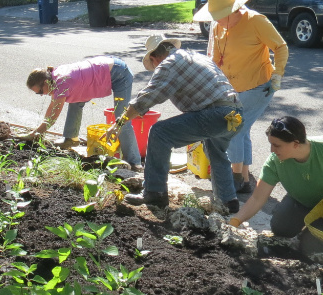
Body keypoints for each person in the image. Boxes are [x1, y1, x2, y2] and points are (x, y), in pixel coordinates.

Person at [104, 34, 243, 212]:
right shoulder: (195, 56)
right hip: (235, 114)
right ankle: (228, 201)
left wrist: (119, 123)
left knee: (160, 133)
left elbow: (145, 99)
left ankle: (154, 193)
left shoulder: (168, 64)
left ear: (154, 58)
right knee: (216, 150)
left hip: (215, 113)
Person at [195, 0, 289, 197]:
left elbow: (281, 46)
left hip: (259, 86)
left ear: (235, 9)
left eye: (221, 14)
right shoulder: (219, 25)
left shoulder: (256, 21)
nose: (217, 20)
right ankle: (244, 179)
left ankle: (236, 177)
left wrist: (278, 74)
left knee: (232, 127)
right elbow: (214, 57)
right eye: (215, 15)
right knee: (241, 128)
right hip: (232, 88)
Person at [228, 116, 323, 253]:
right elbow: (257, 198)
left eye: (276, 145)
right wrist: (235, 220)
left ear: (295, 143)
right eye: (271, 144)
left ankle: (314, 234)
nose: (272, 150)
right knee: (280, 227)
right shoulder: (275, 162)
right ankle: (308, 227)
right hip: (302, 201)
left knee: (315, 246)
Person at [22, 57, 143, 168]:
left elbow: (53, 116)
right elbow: (52, 106)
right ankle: (71, 139)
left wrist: (36, 134)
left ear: (45, 82)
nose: (42, 95)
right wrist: (37, 132)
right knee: (75, 100)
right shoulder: (54, 78)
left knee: (122, 120)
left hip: (119, 73)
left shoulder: (62, 82)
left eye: (40, 92)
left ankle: (134, 162)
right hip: (102, 70)